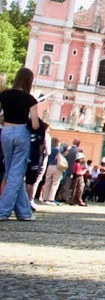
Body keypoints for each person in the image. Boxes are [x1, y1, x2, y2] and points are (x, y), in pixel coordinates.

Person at [0, 68, 40, 221]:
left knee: (11, 172)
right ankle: (2, 211)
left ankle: (24, 212)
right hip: (21, 133)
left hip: (6, 132)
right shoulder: (29, 99)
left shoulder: (4, 95)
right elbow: (35, 124)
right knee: (16, 174)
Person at [42, 140, 67, 204]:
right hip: (57, 166)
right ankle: (51, 199)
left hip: (49, 166)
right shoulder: (58, 149)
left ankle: (44, 198)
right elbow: (64, 151)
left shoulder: (50, 149)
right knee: (55, 183)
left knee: (47, 183)